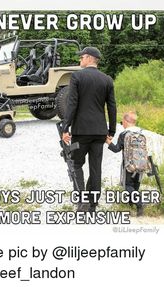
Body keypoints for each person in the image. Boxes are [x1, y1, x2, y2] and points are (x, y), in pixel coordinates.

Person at [62, 47, 117, 212]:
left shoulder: (77, 76)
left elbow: (72, 104)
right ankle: (93, 204)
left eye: (81, 58)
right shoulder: (107, 79)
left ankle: (82, 201)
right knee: (95, 167)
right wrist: (111, 130)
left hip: (81, 132)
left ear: (88, 58)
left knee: (76, 163)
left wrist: (66, 127)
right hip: (100, 132)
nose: (80, 61)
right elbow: (112, 107)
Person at [106, 111, 144, 216]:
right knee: (135, 186)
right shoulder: (141, 132)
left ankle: (140, 203)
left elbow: (116, 149)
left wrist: (108, 142)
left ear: (126, 121)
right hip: (141, 164)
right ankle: (133, 207)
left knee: (127, 185)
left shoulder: (124, 134)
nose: (122, 124)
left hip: (128, 165)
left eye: (122, 122)